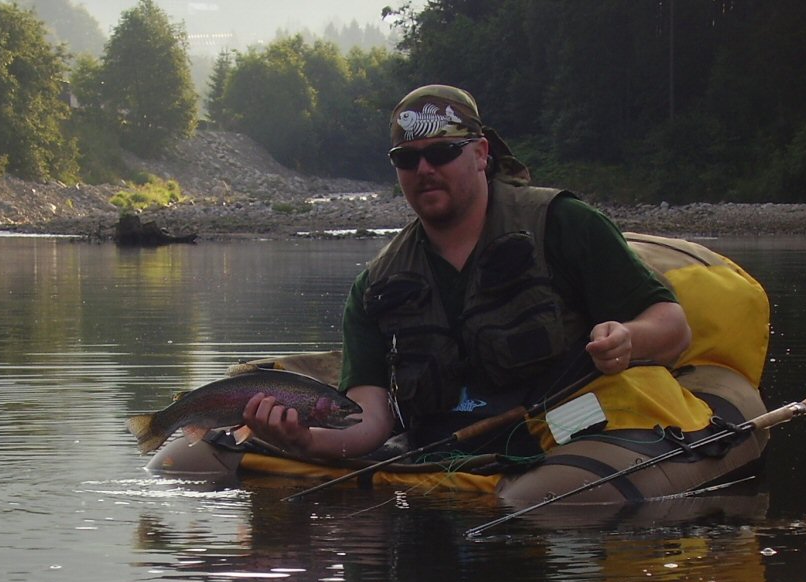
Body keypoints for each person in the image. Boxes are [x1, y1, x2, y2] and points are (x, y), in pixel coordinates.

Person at [243, 84, 691, 461]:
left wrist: (629, 338)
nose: (424, 169)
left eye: (441, 152)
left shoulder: (563, 224)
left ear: (480, 154)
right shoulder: (374, 287)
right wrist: (305, 439)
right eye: (406, 159)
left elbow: (672, 325)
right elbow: (369, 418)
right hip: (444, 467)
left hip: (565, 446)